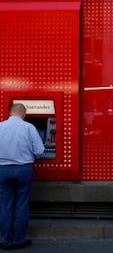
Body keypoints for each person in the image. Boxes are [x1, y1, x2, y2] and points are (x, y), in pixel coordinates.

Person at [0, 103, 44, 249]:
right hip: (23, 169)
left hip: (3, 170)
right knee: (21, 205)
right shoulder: (29, 127)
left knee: (5, 205)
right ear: (24, 113)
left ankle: (5, 240)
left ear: (10, 112)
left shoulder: (0, 127)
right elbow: (39, 151)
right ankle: (19, 239)